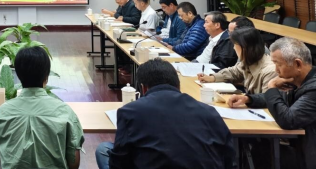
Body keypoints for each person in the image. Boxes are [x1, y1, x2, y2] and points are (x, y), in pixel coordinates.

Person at [95, 59, 235, 169]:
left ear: (143, 88)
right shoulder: (209, 111)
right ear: (178, 85)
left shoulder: (130, 111)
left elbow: (119, 161)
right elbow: (229, 157)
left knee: (103, 149)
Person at [229, 38, 316, 169]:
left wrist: (271, 87)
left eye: (278, 64)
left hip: (308, 155)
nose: (276, 70)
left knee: (260, 151)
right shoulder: (297, 80)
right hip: (300, 146)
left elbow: (288, 120)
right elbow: (279, 98)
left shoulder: (313, 89)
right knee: (255, 146)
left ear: (298, 64)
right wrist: (248, 99)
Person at [0, 47, 84, 169]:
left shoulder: (3, 111)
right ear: (46, 77)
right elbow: (73, 162)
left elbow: (2, 150)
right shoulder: (65, 112)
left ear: (18, 76)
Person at [198, 27, 276, 94]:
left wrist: (247, 100)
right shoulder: (249, 61)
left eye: (235, 44)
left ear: (245, 47)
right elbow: (233, 72)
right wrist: (212, 78)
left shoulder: (270, 71)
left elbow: (267, 100)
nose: (233, 48)